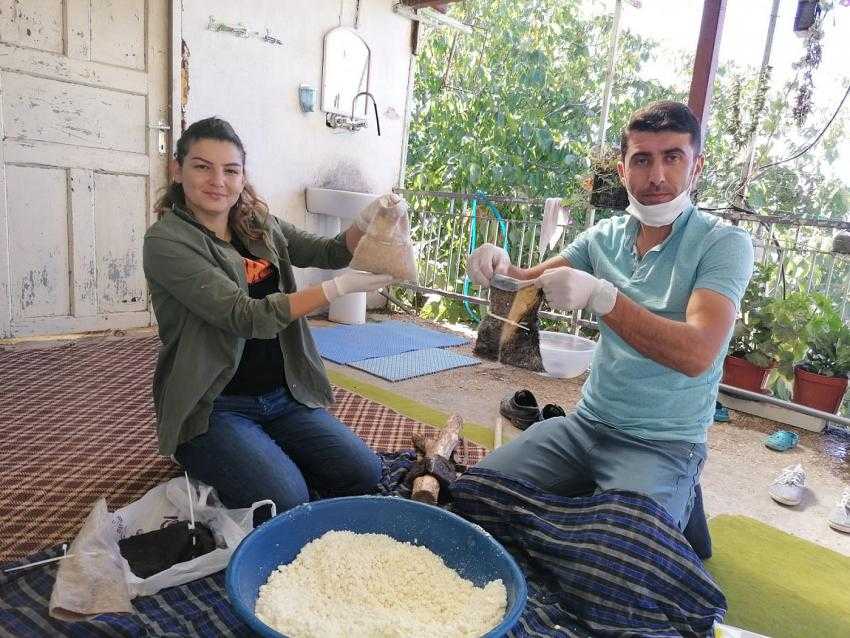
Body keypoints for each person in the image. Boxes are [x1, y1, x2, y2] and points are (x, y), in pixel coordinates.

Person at [467, 101, 754, 531]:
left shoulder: (723, 243)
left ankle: (667, 504)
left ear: (696, 167)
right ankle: (625, 508)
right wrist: (498, 265)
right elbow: (527, 282)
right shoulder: (605, 237)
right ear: (623, 170)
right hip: (584, 427)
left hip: (663, 444)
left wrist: (605, 298)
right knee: (473, 496)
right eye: (642, 160)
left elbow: (698, 354)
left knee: (617, 560)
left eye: (672, 157)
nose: (657, 176)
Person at [143, 117, 396, 515]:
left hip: (283, 396)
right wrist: (337, 289)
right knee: (285, 498)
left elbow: (328, 252)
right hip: (215, 403)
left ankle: (258, 451)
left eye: (231, 170)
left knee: (363, 472)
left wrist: (366, 223)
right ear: (177, 170)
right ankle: (194, 450)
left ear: (243, 177)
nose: (218, 181)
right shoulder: (166, 241)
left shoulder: (257, 224)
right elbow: (245, 316)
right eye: (201, 166)